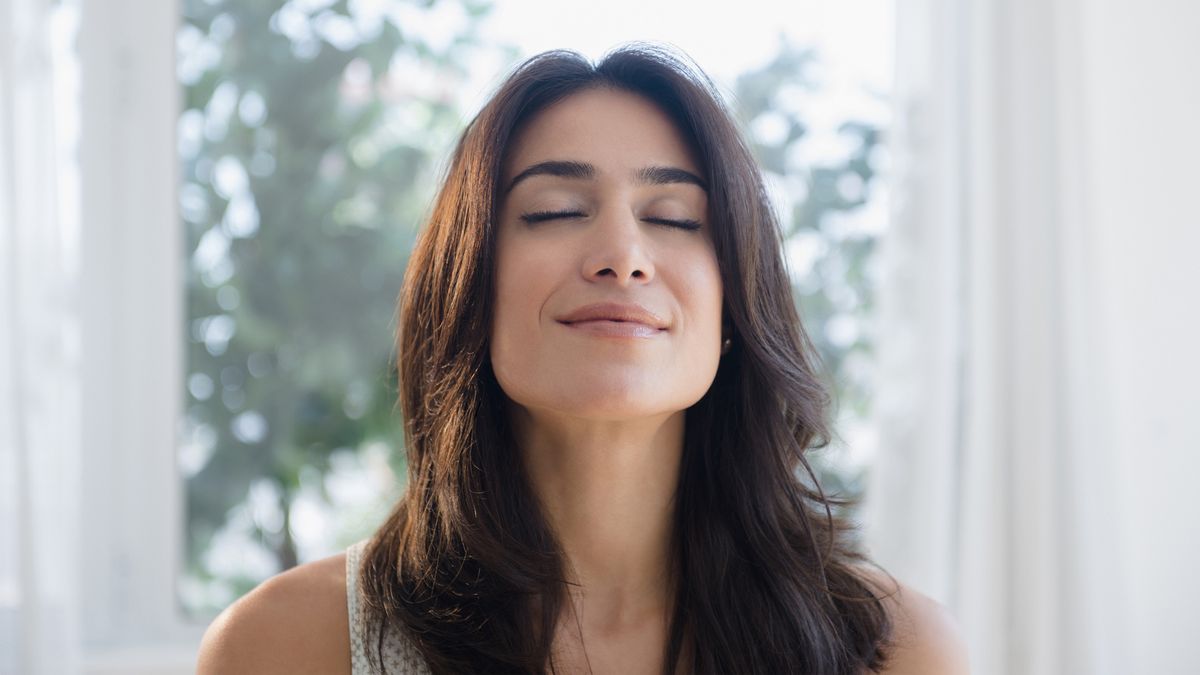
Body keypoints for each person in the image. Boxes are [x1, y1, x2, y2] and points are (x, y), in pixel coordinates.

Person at [197, 42, 970, 675]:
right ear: (469, 289)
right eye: (556, 211)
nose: (622, 256)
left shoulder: (897, 652)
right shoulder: (287, 646)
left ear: (734, 305)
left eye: (674, 217)